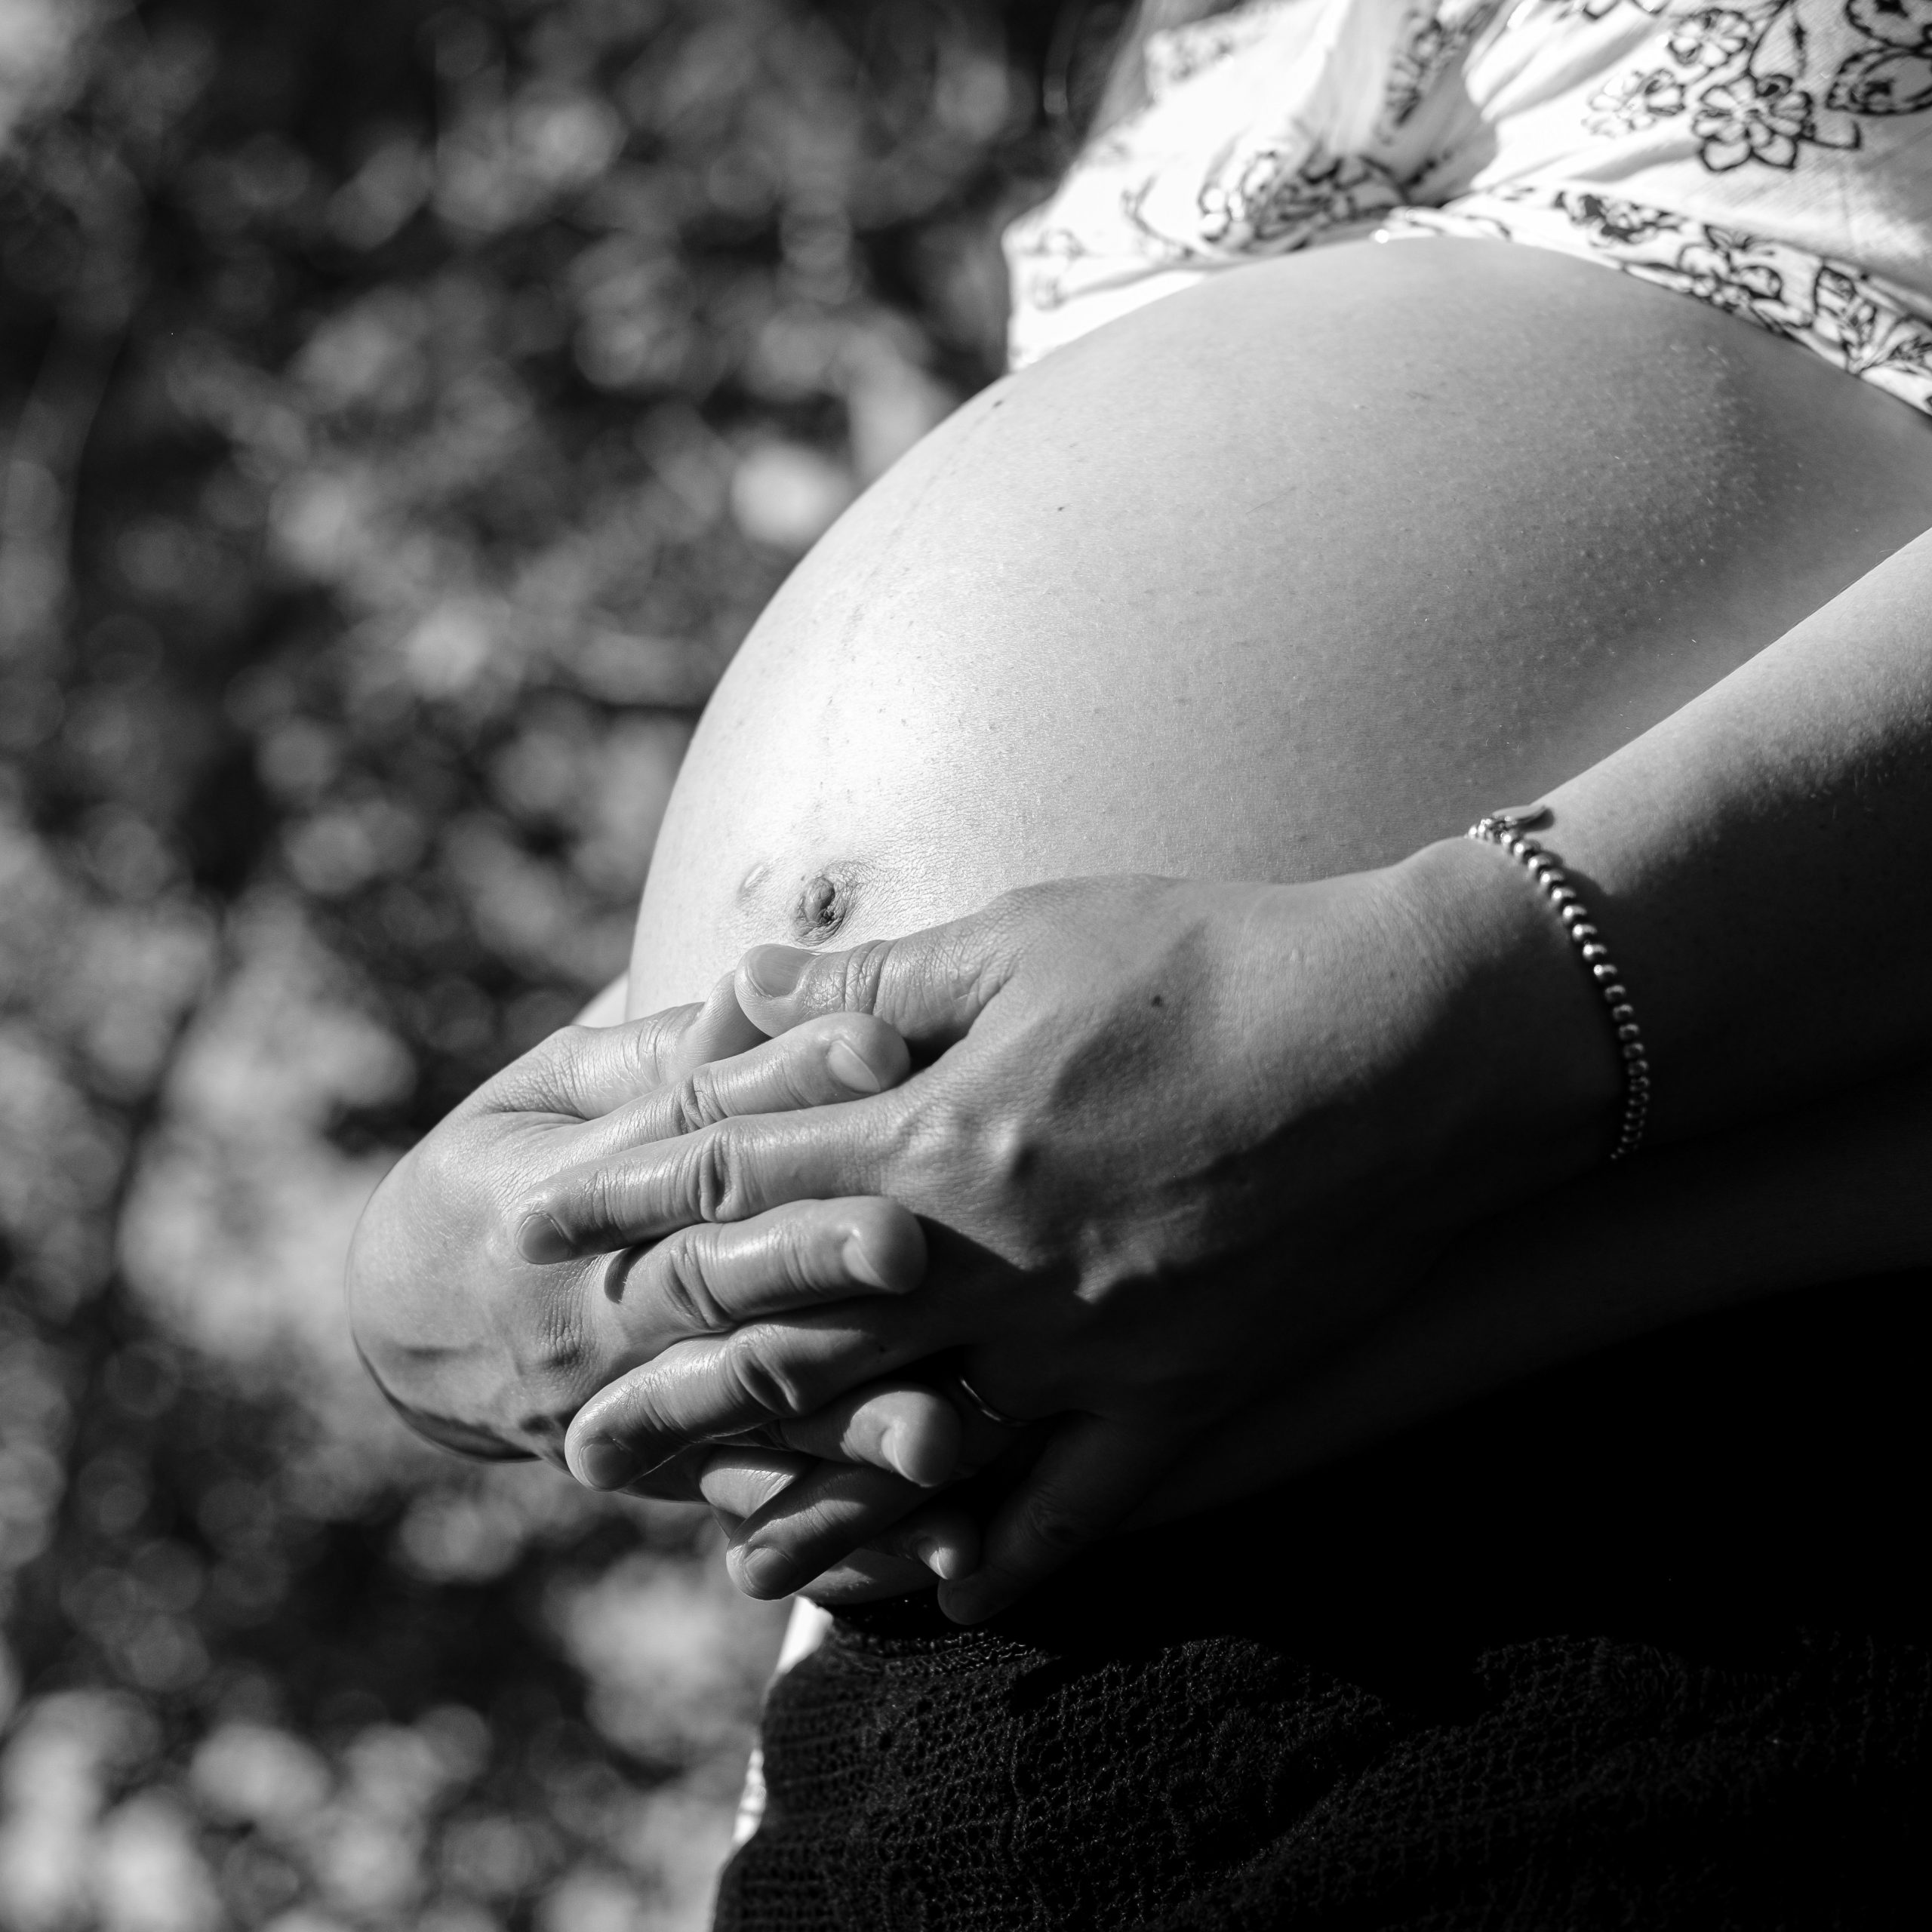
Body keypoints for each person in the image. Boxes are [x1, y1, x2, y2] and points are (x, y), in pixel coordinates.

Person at [348, 0, 1932, 1921]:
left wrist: (1472, 989)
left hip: (1714, 1524)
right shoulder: (1137, 49)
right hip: (938, 1719)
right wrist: (468, 1273)